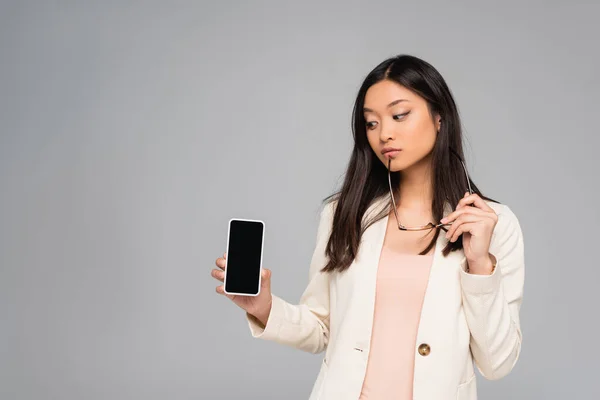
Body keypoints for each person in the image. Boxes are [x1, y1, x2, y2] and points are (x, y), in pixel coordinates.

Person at [211, 54, 525, 400]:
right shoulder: (344, 212)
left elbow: (498, 363)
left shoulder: (492, 224)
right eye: (371, 123)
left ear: (439, 117)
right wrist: (264, 307)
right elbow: (322, 328)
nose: (384, 134)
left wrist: (480, 266)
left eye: (399, 115)